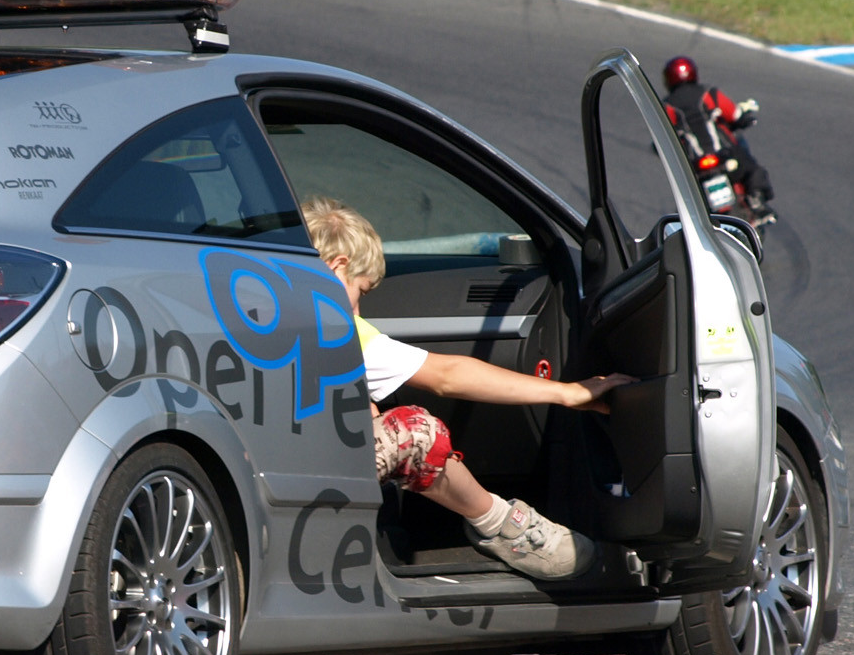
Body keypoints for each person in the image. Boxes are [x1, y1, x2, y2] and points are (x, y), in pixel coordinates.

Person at [302, 197, 633, 580]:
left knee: (368, 408)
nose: (359, 311)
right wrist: (568, 392)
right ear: (336, 268)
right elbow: (448, 376)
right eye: (361, 291)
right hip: (308, 468)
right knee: (416, 432)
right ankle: (501, 525)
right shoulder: (334, 328)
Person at [661, 55, 774, 220]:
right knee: (751, 168)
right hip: (723, 153)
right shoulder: (708, 94)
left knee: (687, 197)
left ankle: (692, 223)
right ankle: (756, 200)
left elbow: (664, 138)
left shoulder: (666, 107)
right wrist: (743, 117)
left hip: (694, 164)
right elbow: (734, 113)